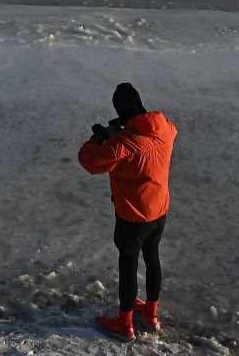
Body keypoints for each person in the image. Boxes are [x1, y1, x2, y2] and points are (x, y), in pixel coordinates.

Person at [76, 82, 177, 340]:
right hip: (159, 209)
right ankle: (151, 315)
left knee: (128, 265)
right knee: (152, 258)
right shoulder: (164, 127)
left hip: (133, 216)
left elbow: (89, 161)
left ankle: (124, 323)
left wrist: (99, 138)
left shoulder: (123, 143)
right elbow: (154, 136)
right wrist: (122, 132)